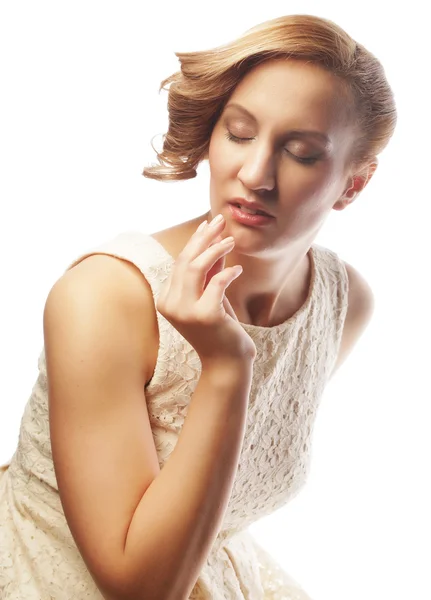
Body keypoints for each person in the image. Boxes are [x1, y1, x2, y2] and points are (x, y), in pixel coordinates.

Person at [0, 13, 397, 600]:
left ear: (353, 185)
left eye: (301, 152)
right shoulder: (106, 297)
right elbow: (138, 588)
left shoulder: (342, 303)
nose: (255, 174)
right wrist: (226, 366)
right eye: (238, 133)